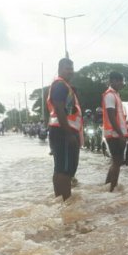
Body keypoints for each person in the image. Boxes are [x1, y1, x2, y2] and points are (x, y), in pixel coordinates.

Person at [46, 58, 82, 200]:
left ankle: (60, 201)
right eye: (67, 68)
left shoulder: (65, 86)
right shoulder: (60, 85)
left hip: (60, 130)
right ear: (60, 68)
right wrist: (69, 134)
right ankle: (66, 202)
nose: (70, 71)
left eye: (72, 68)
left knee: (61, 168)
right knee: (65, 171)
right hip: (63, 131)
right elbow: (60, 109)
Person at [101, 71, 128, 192]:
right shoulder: (110, 95)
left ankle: (108, 187)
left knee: (116, 162)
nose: (121, 83)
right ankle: (112, 188)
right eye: (119, 81)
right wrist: (121, 134)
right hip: (113, 134)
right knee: (117, 161)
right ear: (112, 81)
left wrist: (126, 134)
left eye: (122, 81)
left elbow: (121, 118)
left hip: (118, 133)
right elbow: (111, 117)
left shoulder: (116, 95)